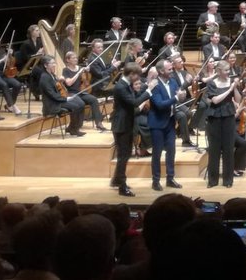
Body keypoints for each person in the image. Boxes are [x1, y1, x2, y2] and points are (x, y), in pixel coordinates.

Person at [111, 62, 150, 196]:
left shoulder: (125, 85)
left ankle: (116, 180)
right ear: (131, 74)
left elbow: (134, 95)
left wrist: (146, 86)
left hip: (125, 123)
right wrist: (149, 91)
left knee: (125, 154)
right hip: (121, 125)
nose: (138, 78)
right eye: (137, 75)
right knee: (123, 156)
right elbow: (134, 103)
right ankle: (122, 187)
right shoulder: (121, 87)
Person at [148, 60, 184, 191]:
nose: (172, 70)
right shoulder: (154, 85)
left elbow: (179, 97)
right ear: (161, 71)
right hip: (157, 123)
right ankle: (156, 180)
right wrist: (176, 98)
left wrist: (182, 95)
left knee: (171, 151)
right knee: (157, 153)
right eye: (169, 69)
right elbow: (159, 104)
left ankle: (170, 178)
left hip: (169, 122)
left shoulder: (173, 81)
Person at [205, 61, 240, 187]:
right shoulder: (212, 83)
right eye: (226, 71)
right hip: (215, 117)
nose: (228, 73)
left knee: (228, 149)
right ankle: (212, 180)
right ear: (219, 71)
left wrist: (235, 88)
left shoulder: (231, 82)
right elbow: (215, 100)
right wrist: (229, 89)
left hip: (228, 116)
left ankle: (228, 180)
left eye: (229, 70)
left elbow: (237, 100)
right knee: (214, 150)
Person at [39, 55, 86, 137]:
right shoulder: (44, 77)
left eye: (54, 63)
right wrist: (65, 99)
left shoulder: (52, 75)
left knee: (81, 104)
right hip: (52, 104)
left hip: (57, 100)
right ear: (45, 65)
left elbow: (57, 87)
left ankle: (74, 127)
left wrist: (60, 82)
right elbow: (51, 94)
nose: (54, 65)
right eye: (52, 63)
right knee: (76, 106)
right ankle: (73, 129)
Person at [60, 51, 104, 131]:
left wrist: (87, 71)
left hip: (81, 91)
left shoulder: (80, 68)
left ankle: (99, 123)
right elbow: (69, 83)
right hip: (71, 93)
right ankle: (77, 125)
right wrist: (78, 73)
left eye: (76, 58)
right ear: (68, 60)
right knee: (81, 103)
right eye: (73, 58)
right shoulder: (65, 70)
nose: (76, 59)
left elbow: (86, 78)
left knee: (94, 100)